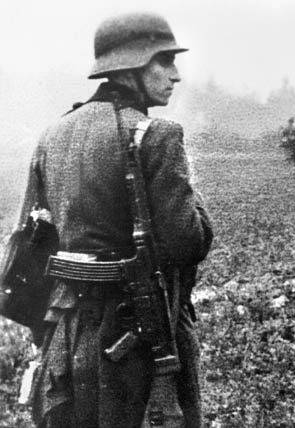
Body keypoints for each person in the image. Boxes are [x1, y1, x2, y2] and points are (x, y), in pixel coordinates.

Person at [20, 12, 213, 428]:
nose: (175, 75)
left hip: (67, 335)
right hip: (143, 337)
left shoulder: (52, 135)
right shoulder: (157, 135)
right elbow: (188, 244)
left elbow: (31, 243)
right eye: (164, 61)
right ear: (131, 67)